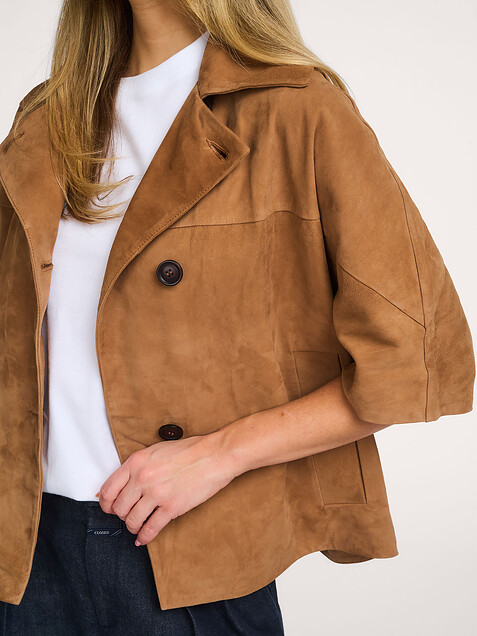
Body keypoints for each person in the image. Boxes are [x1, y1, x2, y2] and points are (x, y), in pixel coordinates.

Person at [0, 0, 474, 634]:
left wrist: (221, 454)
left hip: (186, 556)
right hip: (26, 555)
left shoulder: (298, 109)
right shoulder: (47, 118)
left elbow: (416, 360)